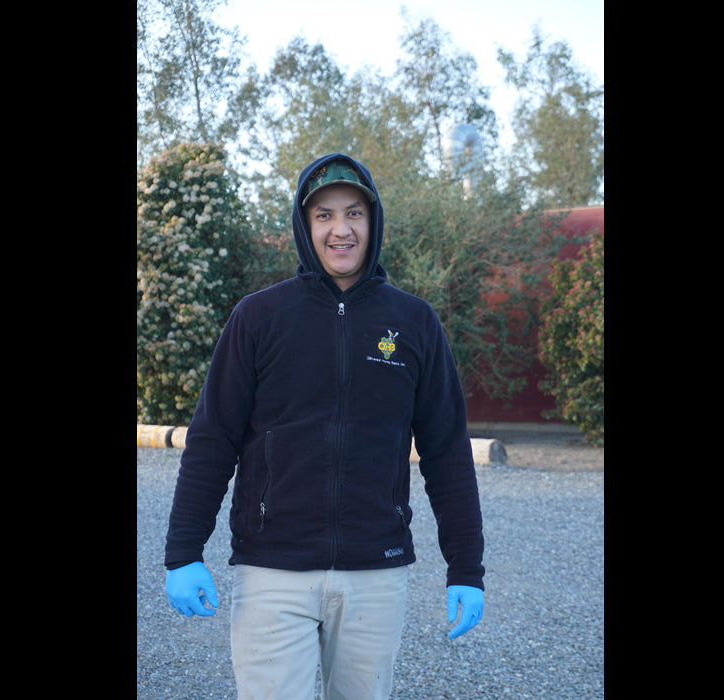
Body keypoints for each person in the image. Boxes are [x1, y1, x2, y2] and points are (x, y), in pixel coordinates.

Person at [164, 153, 485, 699]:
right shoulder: (258, 318)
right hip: (272, 571)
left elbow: (447, 453)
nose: (341, 229)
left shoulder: (414, 322)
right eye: (324, 215)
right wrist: (183, 552)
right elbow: (212, 440)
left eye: (354, 213)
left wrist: (466, 568)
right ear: (304, 225)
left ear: (373, 222)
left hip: (374, 574)